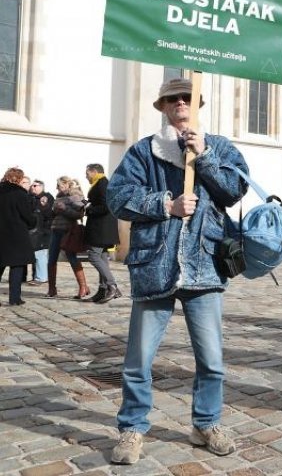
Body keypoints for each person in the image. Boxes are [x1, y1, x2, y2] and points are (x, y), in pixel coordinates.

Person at [106, 78, 248, 465]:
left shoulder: (218, 146)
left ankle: (206, 422)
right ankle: (132, 428)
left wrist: (203, 157)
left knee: (212, 360)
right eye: (173, 99)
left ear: (197, 104)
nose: (180, 102)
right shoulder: (143, 152)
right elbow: (117, 197)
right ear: (163, 107)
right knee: (138, 360)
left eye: (187, 97)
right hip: (156, 267)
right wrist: (163, 205)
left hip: (204, 268)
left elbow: (235, 189)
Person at [83, 163, 122, 304]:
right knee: (102, 257)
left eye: (87, 173)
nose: (85, 176)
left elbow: (106, 207)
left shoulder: (102, 184)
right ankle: (102, 289)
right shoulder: (100, 184)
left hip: (101, 228)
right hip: (103, 228)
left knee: (93, 256)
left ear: (94, 172)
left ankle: (112, 286)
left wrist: (89, 208)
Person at [47, 177, 89, 299]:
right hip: (56, 230)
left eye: (59, 185)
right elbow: (54, 214)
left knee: (71, 257)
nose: (57, 187)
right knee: (51, 259)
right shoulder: (58, 196)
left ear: (66, 184)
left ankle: (83, 287)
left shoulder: (75, 195)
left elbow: (80, 214)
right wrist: (54, 210)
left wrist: (64, 209)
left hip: (69, 231)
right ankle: (52, 288)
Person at [0, 168, 36, 306]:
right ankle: (14, 298)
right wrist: (33, 222)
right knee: (17, 266)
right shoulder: (19, 194)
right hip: (16, 234)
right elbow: (27, 215)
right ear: (19, 179)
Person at [28, 179, 55, 285]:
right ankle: (37, 276)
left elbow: (48, 214)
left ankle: (41, 277)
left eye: (35, 185)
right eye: (32, 186)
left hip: (44, 230)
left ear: (41, 187)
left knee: (41, 253)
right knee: (36, 253)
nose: (32, 187)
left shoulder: (47, 197)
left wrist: (43, 205)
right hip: (35, 231)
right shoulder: (31, 197)